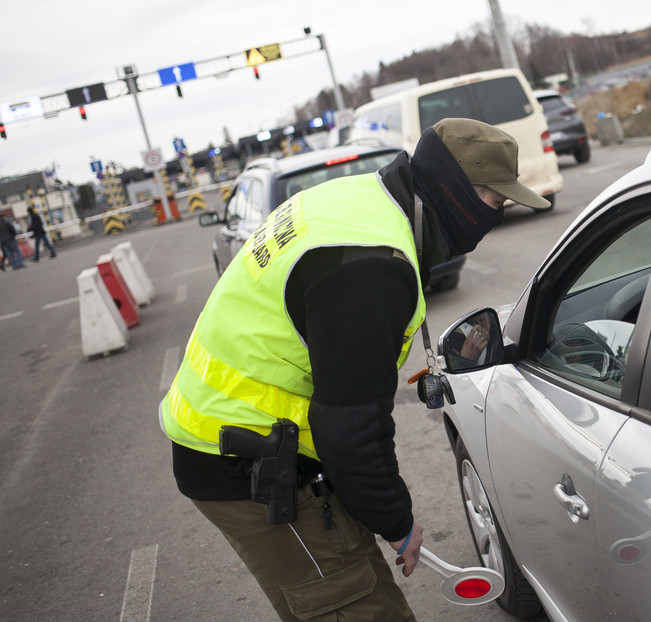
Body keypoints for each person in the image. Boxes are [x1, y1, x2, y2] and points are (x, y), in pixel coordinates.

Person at [160, 118, 550, 621]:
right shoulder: (369, 267)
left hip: (240, 439)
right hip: (252, 467)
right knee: (355, 603)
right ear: (455, 192)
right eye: (494, 201)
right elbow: (350, 428)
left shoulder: (360, 201)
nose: (495, 217)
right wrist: (397, 521)